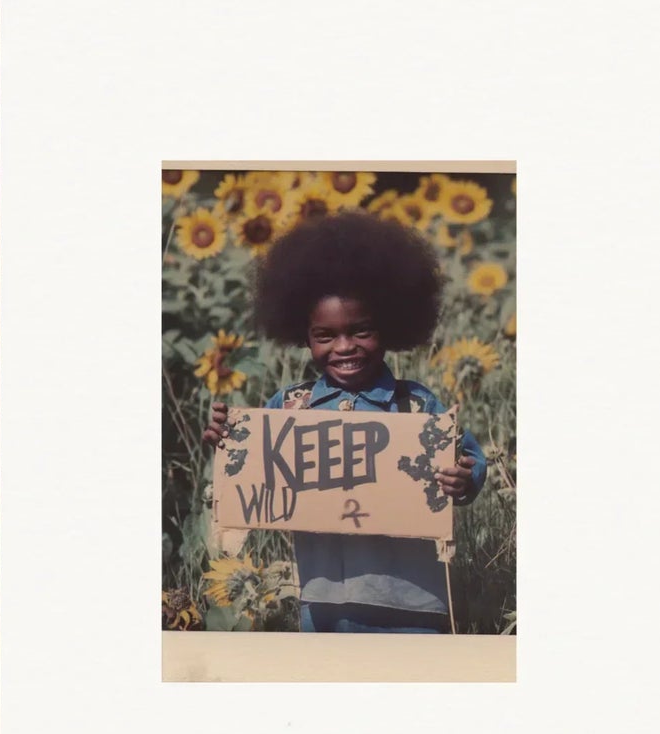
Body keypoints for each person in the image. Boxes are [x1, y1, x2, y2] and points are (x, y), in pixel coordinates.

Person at [204, 211, 487, 633]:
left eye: (361, 331)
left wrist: (463, 479)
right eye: (326, 336)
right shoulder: (290, 407)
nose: (345, 347)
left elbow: (467, 461)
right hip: (322, 602)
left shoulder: (416, 405)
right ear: (304, 337)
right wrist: (228, 439)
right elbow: (254, 464)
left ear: (389, 327)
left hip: (412, 602)